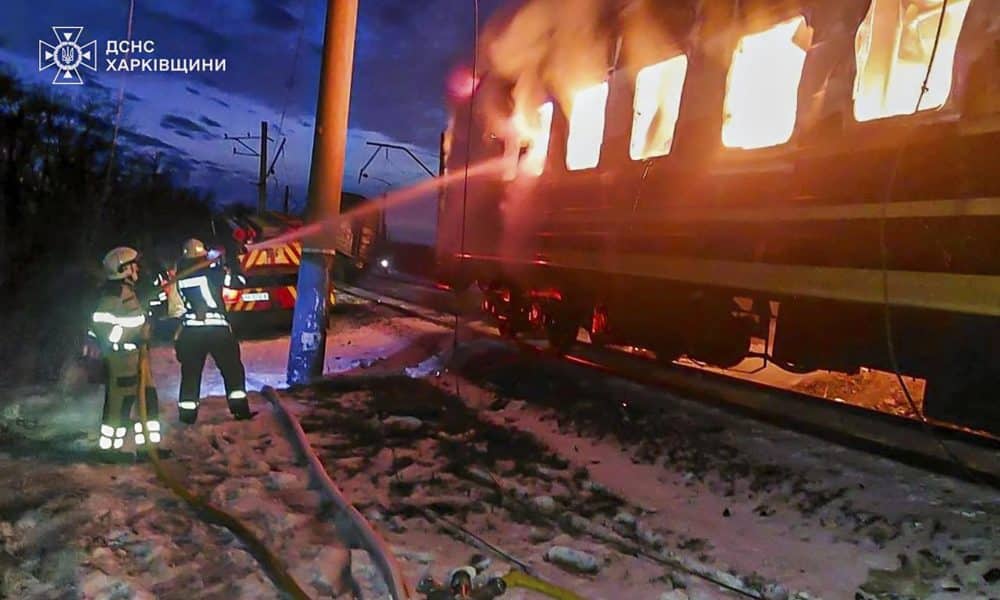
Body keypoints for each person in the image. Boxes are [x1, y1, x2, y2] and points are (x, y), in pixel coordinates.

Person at [87, 246, 164, 458]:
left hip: (137, 357)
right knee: (119, 405)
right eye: (134, 265)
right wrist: (131, 336)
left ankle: (148, 447)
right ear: (123, 269)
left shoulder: (128, 291)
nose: (138, 268)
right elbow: (103, 326)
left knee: (147, 401)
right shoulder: (114, 294)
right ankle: (109, 450)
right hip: (122, 359)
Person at [172, 238, 251, 424]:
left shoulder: (182, 275)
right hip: (217, 330)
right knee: (232, 370)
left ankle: (187, 416)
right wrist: (232, 262)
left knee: (190, 374)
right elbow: (238, 282)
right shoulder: (212, 273)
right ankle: (240, 410)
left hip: (191, 332)